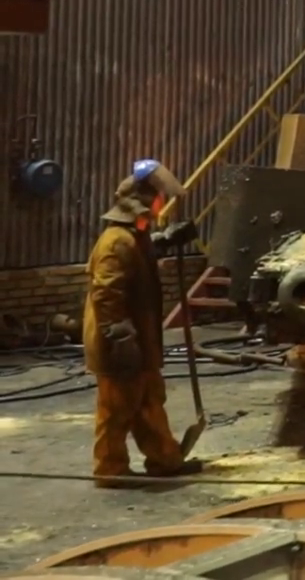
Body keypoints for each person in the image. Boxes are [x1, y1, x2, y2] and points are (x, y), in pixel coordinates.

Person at [84, 159, 203, 487]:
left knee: (149, 399)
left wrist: (165, 240)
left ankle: (165, 460)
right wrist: (120, 338)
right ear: (143, 202)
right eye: (158, 201)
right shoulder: (116, 241)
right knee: (117, 408)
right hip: (120, 343)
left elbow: (140, 250)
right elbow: (106, 293)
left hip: (141, 341)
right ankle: (109, 469)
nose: (160, 207)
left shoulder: (133, 237)